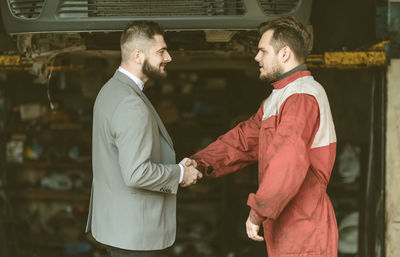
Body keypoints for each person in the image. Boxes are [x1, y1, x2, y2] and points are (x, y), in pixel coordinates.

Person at [189, 16, 338, 257]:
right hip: (289, 223)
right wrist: (200, 162)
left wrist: (259, 208)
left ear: (285, 53)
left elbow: (288, 158)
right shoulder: (277, 98)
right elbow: (243, 140)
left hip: (304, 225)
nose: (257, 57)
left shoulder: (301, 96)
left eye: (262, 51)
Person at [85, 21, 202, 257]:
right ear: (138, 55)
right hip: (134, 237)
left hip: (117, 228)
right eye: (161, 51)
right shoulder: (130, 104)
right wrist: (180, 173)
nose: (168, 57)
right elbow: (137, 172)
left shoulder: (111, 90)